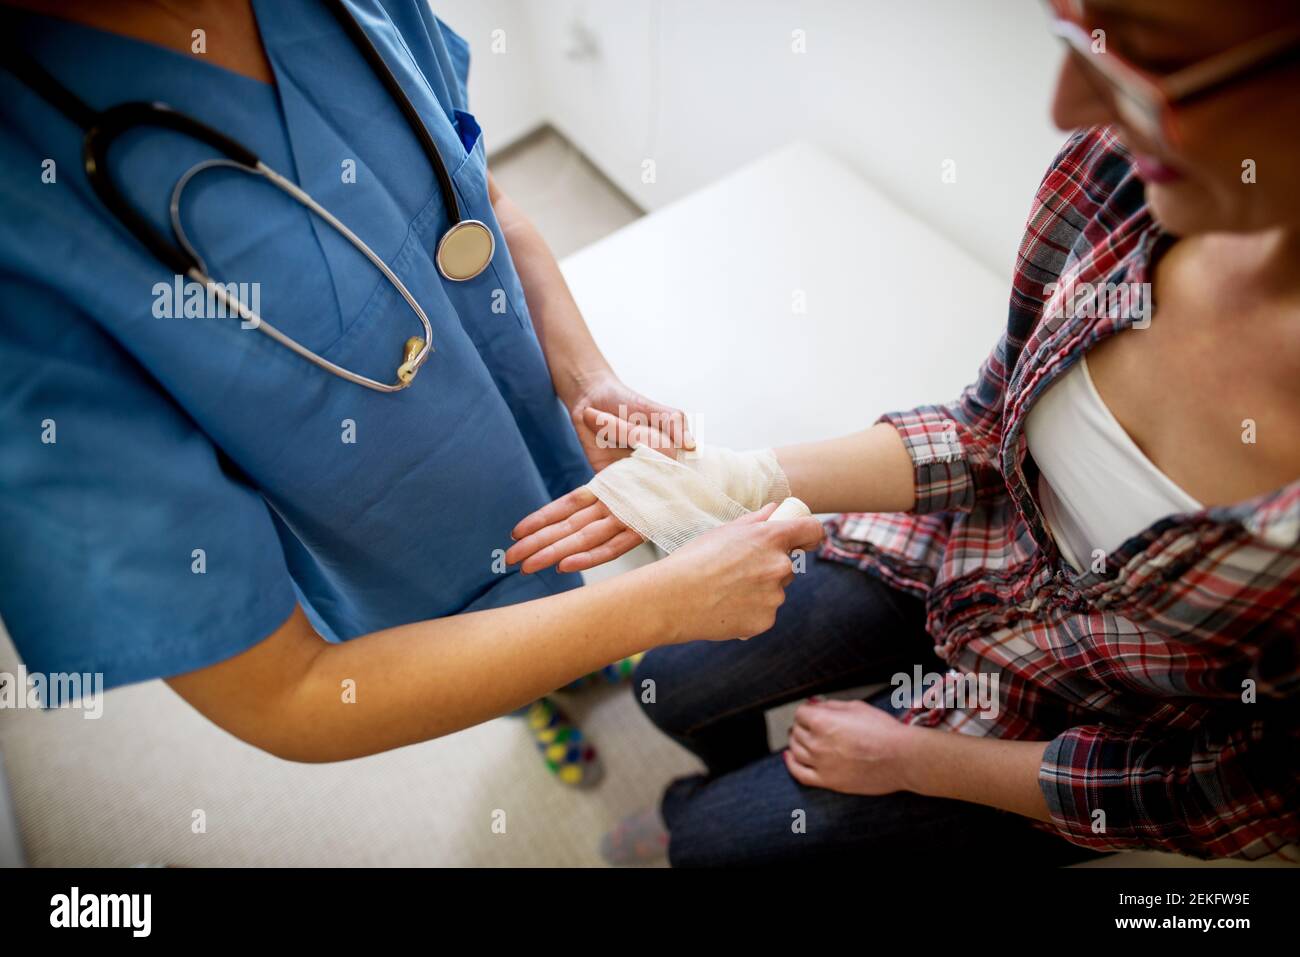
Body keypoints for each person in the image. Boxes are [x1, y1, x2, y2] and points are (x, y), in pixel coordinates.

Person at [509, 0, 1300, 864]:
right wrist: (732, 475)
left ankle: (712, 812)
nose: (1068, 107)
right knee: (671, 680)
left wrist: (918, 760)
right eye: (1080, 36)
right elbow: (982, 437)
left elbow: (1242, 787)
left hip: (1094, 717)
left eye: (1142, 60)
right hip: (966, 551)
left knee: (709, 843)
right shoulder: (1112, 183)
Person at [0, 0, 825, 776]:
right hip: (401, 541)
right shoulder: (25, 238)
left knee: (570, 593)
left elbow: (482, 196)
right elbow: (287, 693)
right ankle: (532, 700)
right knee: (494, 644)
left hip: (531, 425)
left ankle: (586, 643)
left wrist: (586, 378)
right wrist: (661, 607)